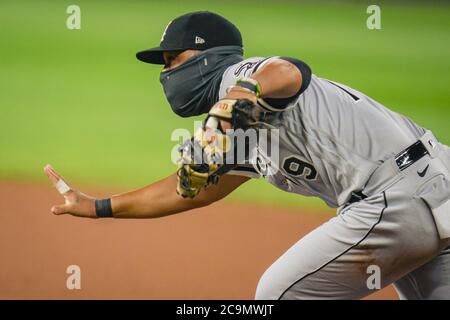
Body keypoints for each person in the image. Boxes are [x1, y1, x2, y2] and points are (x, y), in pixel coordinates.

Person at [45, 11, 450, 299]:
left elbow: (289, 69)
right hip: (429, 193)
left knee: (276, 294)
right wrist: (97, 206)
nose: (165, 72)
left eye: (173, 59)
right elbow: (190, 190)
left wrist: (237, 99)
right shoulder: (238, 126)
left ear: (207, 57)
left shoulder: (238, 79)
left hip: (396, 198)